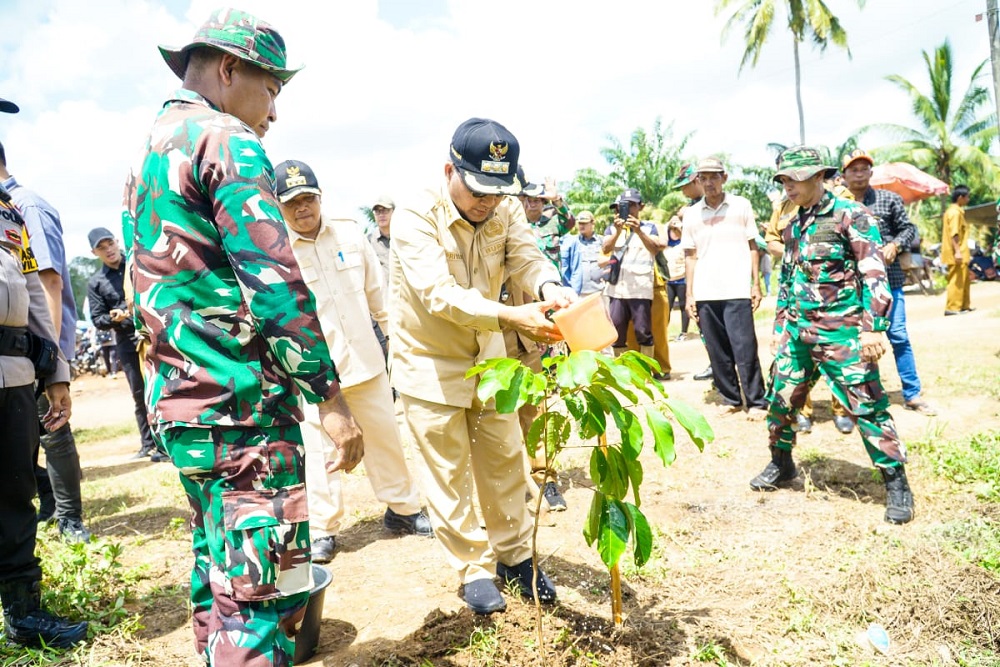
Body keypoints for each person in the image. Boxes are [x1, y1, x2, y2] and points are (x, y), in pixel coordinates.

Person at [121, 10, 364, 665]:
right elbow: (277, 285)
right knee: (268, 598)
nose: (275, 111)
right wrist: (330, 396)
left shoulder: (148, 156)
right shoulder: (226, 140)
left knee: (218, 577)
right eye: (272, 88)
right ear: (229, 70)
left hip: (186, 412)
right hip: (246, 416)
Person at [390, 117, 575, 615]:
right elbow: (437, 295)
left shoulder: (505, 207)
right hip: (428, 360)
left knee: (504, 457)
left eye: (497, 192)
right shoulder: (414, 214)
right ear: (450, 169)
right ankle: (472, 568)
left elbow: (526, 259)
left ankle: (516, 558)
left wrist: (548, 289)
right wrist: (513, 314)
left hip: (489, 359)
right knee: (448, 472)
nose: (487, 202)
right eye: (477, 190)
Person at [273, 159, 431, 564]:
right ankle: (324, 529)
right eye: (292, 203)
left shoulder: (349, 232)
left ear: (320, 197)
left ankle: (404, 510)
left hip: (366, 360)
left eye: (308, 198)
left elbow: (381, 299)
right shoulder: (276, 250)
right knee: (320, 451)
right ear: (278, 206)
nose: (302, 209)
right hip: (312, 373)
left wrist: (399, 343)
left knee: (385, 438)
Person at [751, 147, 914, 525]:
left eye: (793, 179)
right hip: (797, 331)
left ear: (817, 177)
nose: (787, 186)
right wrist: (779, 331)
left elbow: (874, 272)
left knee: (867, 405)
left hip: (843, 331)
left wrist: (873, 326)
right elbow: (788, 281)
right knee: (780, 399)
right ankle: (782, 463)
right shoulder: (793, 224)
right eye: (783, 180)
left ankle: (896, 483)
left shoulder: (851, 214)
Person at [0, 93, 89, 649]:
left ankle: (25, 610)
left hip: (11, 373)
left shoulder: (9, 212)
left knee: (13, 494)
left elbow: (35, 287)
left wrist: (54, 366)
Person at [842, 149, 937, 415]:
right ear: (844, 175)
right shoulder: (838, 206)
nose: (859, 174)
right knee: (855, 342)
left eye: (864, 169)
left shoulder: (889, 200)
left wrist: (895, 244)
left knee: (898, 336)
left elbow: (909, 229)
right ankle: (864, 395)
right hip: (852, 288)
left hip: (888, 282)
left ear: (871, 173)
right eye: (853, 169)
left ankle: (912, 393)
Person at [681, 157, 767, 417]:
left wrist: (756, 284)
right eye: (703, 178)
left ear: (724, 178)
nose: (709, 183)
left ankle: (756, 402)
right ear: (697, 181)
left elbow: (754, 246)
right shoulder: (691, 214)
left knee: (745, 347)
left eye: (714, 177)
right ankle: (730, 398)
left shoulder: (741, 206)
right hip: (706, 291)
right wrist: (689, 295)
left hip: (737, 288)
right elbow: (690, 255)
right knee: (716, 349)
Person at [87, 227, 164, 462]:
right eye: (101, 247)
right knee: (139, 392)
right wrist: (114, 317)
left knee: (162, 386)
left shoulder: (137, 265)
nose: (108, 249)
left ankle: (166, 442)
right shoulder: (96, 283)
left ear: (117, 241)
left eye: (109, 243)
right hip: (127, 342)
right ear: (94, 252)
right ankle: (148, 443)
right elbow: (98, 319)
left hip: (153, 336)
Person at [602, 188, 667, 372]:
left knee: (643, 332)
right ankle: (623, 372)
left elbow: (655, 249)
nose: (627, 210)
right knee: (617, 332)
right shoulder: (612, 228)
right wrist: (617, 231)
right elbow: (606, 249)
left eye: (631, 205)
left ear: (641, 207)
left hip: (640, 289)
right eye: (623, 206)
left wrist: (638, 231)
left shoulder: (649, 228)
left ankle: (646, 370)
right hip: (617, 290)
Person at [672, 162, 713, 381]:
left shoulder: (711, 205)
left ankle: (721, 367)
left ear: (696, 180)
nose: (683, 191)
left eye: (684, 185)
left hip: (716, 274)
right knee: (705, 324)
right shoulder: (691, 209)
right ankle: (716, 365)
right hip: (699, 275)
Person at [517, 168, 575, 269]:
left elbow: (570, 221)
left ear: (543, 203)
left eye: (536, 201)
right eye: (529, 201)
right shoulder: (516, 226)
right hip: (525, 280)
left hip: (552, 280)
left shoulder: (553, 223)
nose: (533, 205)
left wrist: (556, 199)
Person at [942, 185, 973, 316]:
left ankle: (963, 305)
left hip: (961, 251)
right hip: (956, 252)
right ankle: (952, 307)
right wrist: (958, 251)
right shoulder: (954, 213)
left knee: (964, 279)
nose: (968, 199)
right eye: (967, 197)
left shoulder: (957, 211)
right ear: (960, 197)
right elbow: (954, 233)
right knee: (956, 280)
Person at [560, 210, 604, 296]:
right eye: (580, 223)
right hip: (578, 292)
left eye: (584, 223)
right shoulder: (572, 242)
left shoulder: (602, 241)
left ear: (592, 223)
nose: (581, 226)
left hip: (599, 291)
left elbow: (610, 261)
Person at [663, 216, 690, 341]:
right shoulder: (665, 243)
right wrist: (668, 224)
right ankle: (664, 332)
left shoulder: (684, 242)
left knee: (684, 306)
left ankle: (684, 332)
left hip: (682, 279)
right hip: (669, 280)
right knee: (666, 307)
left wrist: (680, 228)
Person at [368, 195, 394, 294]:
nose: (381, 215)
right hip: (383, 299)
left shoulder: (404, 238)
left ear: (393, 212)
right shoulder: (368, 242)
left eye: (385, 210)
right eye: (377, 211)